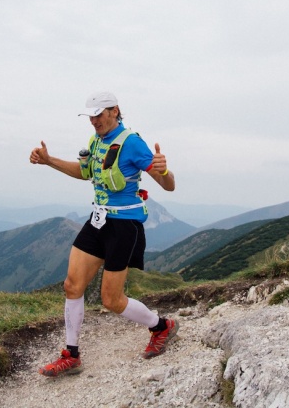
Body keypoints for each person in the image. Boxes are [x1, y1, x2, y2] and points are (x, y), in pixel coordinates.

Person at [29, 91, 178, 377]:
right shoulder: (96, 141)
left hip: (124, 226)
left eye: (99, 114)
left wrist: (165, 171)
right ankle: (71, 354)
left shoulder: (132, 143)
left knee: (111, 300)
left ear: (115, 111)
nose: (94, 121)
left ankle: (161, 326)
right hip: (98, 220)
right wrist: (49, 161)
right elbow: (86, 173)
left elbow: (168, 185)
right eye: (90, 116)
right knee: (72, 285)